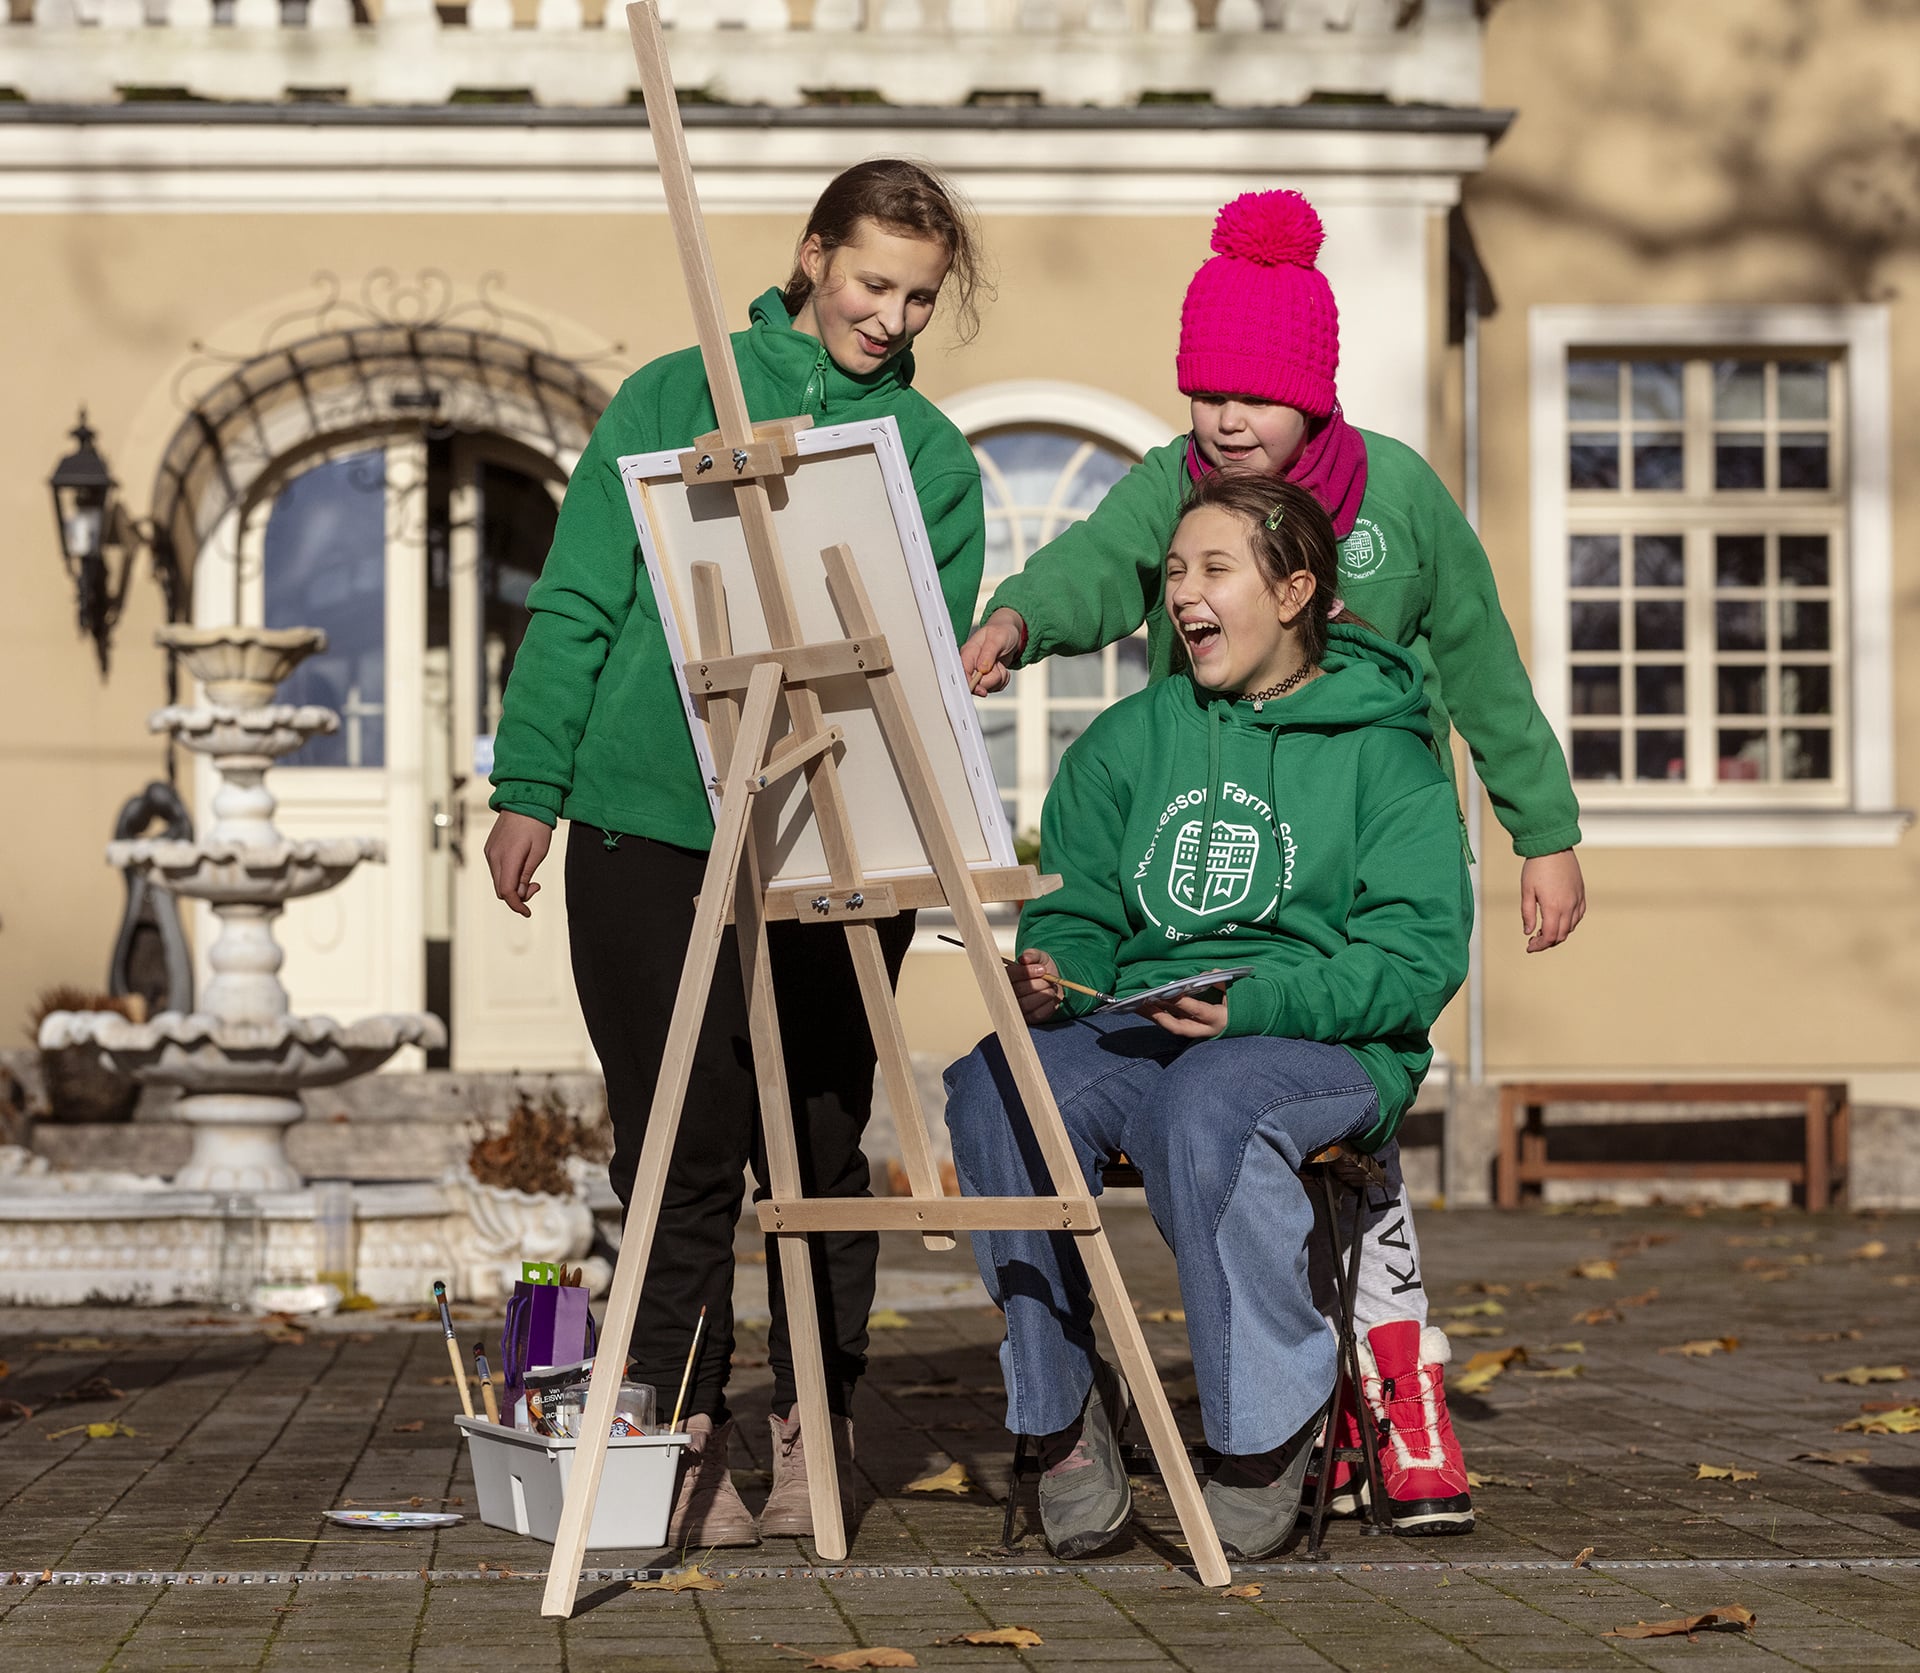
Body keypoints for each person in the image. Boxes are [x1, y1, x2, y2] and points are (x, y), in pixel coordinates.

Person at [955, 188, 1580, 1532]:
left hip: (1348, 890)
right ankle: (1062, 1423)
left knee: (1259, 1118)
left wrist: (1545, 832)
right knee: (1008, 1085)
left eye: (1255, 394)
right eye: (1206, 394)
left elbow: (1480, 668)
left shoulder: (1395, 498)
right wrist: (1015, 617)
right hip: (1196, 933)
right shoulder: (1164, 539)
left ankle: (1331, 1412)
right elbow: (1092, 565)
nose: (1228, 419)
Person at [483, 160, 989, 1548]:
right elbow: (583, 589)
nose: (889, 316)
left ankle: (812, 1422)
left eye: (917, 297)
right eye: (872, 280)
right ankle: (676, 1425)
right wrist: (531, 781)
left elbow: (914, 661)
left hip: (825, 833)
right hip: (648, 818)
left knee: (818, 1145)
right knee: (677, 1139)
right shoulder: (672, 392)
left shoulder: (931, 460)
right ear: (815, 256)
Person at [944, 471, 1471, 1561]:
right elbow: (1083, 906)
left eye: (1215, 569)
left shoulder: (1389, 752)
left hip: (1324, 1039)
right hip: (1147, 1025)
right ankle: (1062, 1414)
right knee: (996, 1080)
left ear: (1293, 592)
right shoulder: (1125, 741)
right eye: (1175, 571)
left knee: (1209, 1103)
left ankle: (1264, 1428)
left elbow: (1419, 960)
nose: (1185, 592)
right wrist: (1057, 969)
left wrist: (1259, 1001)